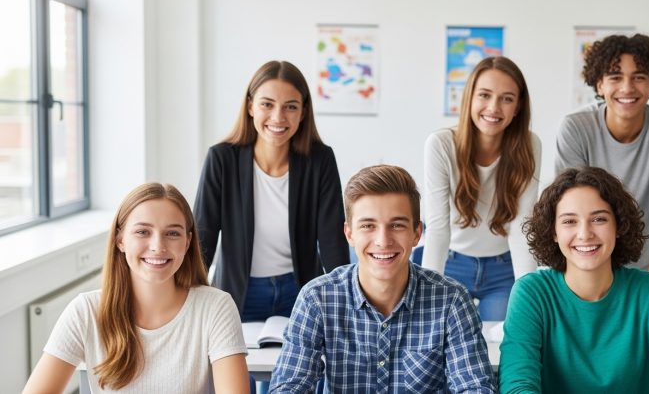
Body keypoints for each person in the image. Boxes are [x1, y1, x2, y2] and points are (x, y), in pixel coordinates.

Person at [269, 165, 496, 393]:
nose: (383, 240)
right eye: (368, 226)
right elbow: (288, 387)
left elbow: (475, 387)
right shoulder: (317, 299)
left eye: (397, 225)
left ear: (417, 233)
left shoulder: (451, 300)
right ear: (350, 234)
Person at [498, 167, 649, 394]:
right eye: (569, 221)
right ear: (553, 232)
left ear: (618, 226)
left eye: (599, 219)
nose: (585, 234)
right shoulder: (532, 293)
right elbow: (517, 385)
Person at [23, 183, 249, 394]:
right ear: (120, 240)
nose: (158, 246)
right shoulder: (85, 311)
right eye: (143, 232)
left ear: (187, 242)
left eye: (172, 233)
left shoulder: (215, 307)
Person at [194, 60, 349, 321]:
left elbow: (333, 240)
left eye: (290, 106)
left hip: (300, 291)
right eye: (267, 104)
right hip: (238, 292)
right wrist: (189, 299)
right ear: (250, 106)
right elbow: (202, 238)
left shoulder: (319, 160)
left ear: (302, 112)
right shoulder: (222, 159)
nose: (278, 117)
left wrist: (346, 301)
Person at [555, 33, 649, 278]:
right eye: (615, 77)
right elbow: (572, 209)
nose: (627, 87)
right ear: (600, 85)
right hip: (587, 265)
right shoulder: (576, 128)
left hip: (646, 269)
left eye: (638, 77)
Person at [422, 56, 541, 321]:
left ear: (518, 106)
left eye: (507, 98)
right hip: (452, 263)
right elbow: (438, 228)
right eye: (485, 95)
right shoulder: (441, 144)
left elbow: (522, 228)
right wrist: (427, 296)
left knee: (503, 342)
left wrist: (531, 298)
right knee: (446, 342)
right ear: (470, 98)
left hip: (503, 269)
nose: (493, 107)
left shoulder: (530, 146)